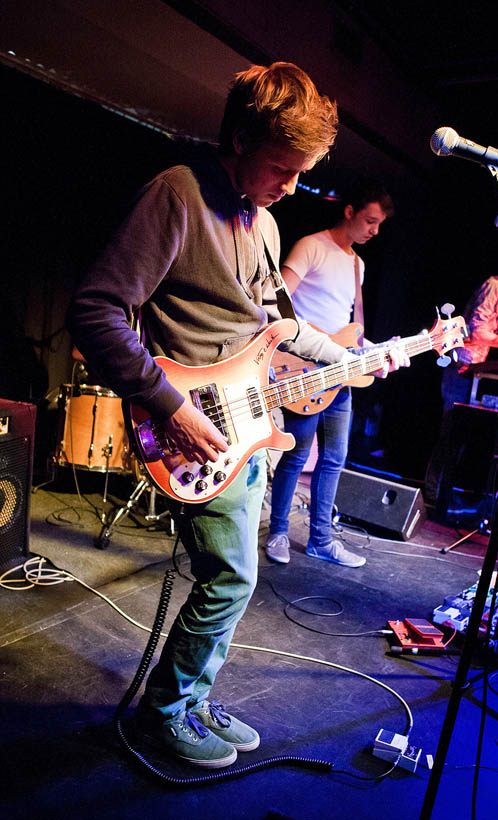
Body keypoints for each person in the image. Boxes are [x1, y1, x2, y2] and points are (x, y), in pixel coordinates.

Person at [67, 62, 408, 770]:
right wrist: (169, 406)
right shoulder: (177, 195)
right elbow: (95, 310)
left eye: (300, 172)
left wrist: (364, 357)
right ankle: (167, 711)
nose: (289, 186)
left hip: (245, 424)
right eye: (280, 168)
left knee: (236, 576)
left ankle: (190, 698)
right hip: (191, 425)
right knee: (229, 579)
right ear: (240, 138)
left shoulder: (264, 222)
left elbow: (278, 326)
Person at [265, 178, 396, 567]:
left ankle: (321, 539)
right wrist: (316, 344)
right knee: (296, 456)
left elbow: (350, 330)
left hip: (340, 377)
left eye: (379, 225)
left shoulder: (359, 264)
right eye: (370, 221)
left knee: (334, 459)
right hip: (303, 369)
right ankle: (278, 533)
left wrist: (377, 352)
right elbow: (278, 305)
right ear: (350, 211)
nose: (374, 230)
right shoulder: (311, 246)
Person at [424, 253, 498, 508]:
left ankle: (443, 494)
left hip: (473, 369)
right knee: (450, 433)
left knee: (458, 435)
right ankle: (433, 494)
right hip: (461, 367)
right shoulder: (492, 287)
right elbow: (478, 331)